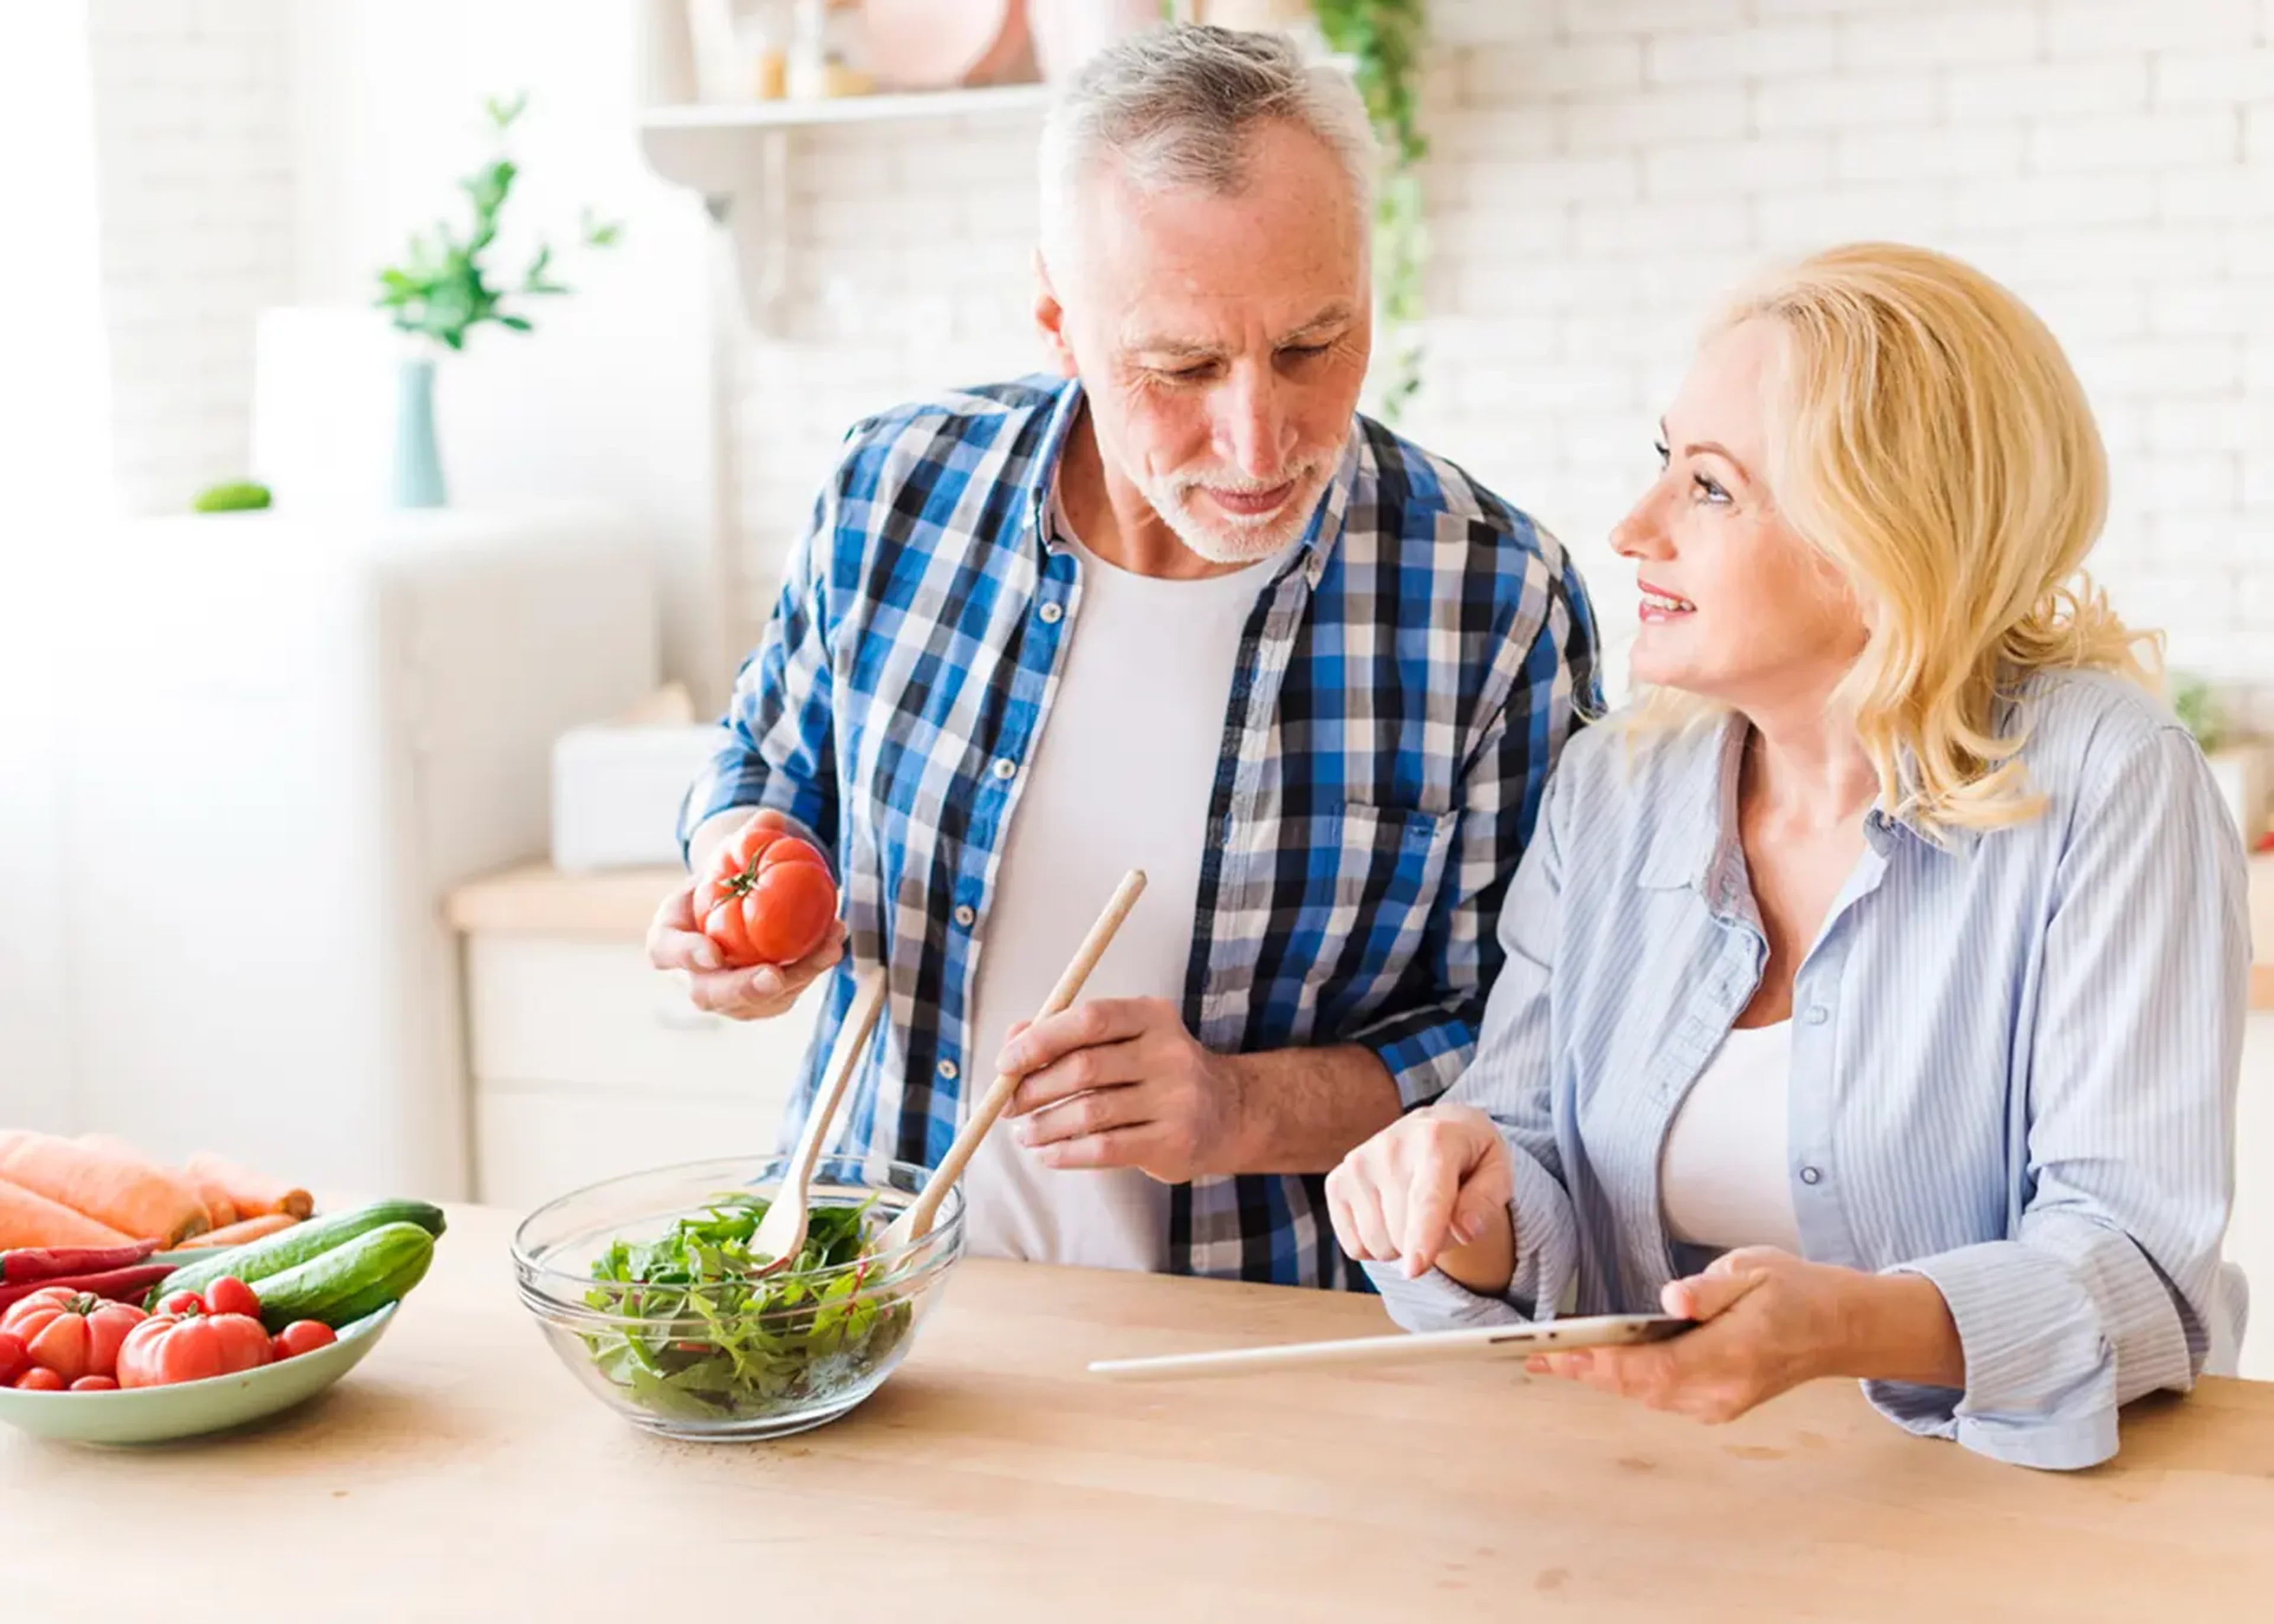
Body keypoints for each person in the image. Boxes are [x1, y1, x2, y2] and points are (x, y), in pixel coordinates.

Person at [645, 24, 1601, 1288]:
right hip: (869, 1299)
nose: (1259, 443)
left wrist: (1237, 1109)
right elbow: (768, 763)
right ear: (1058, 319)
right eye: (1180, 367)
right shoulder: (894, 491)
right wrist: (744, 883)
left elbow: (1541, 1046)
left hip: (1260, 1351)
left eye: (1314, 344)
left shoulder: (1493, 597)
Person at [1325, 241, 2252, 1468]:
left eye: (1708, 488)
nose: (1633, 525)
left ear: (1883, 539)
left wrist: (1852, 1328)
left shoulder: (2106, 778)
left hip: (1999, 1513)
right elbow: (1536, 1163)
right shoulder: (1614, 789)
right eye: (1667, 462)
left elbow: (2139, 1265)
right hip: (1665, 1503)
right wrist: (1458, 1198)